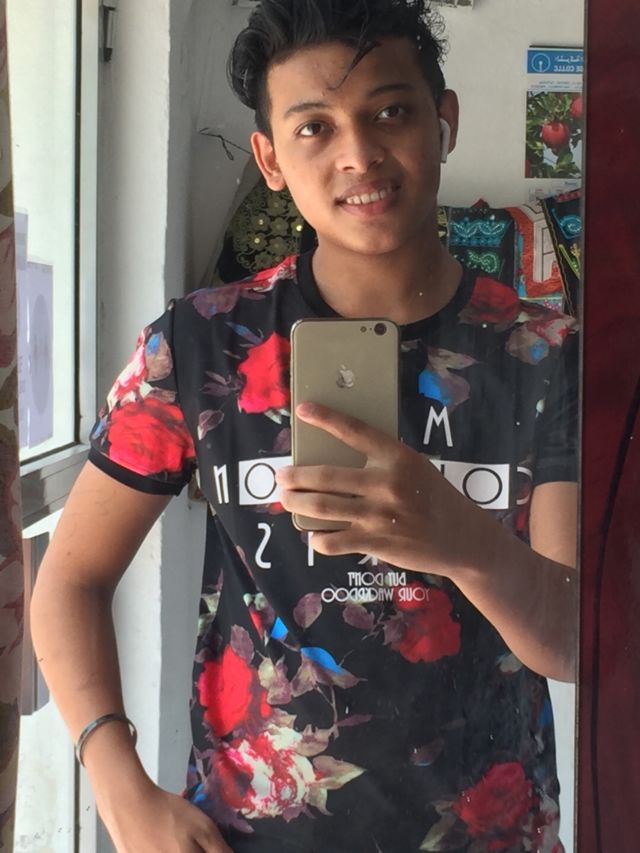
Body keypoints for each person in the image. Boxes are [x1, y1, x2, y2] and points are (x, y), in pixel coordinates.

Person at [31, 0, 579, 850]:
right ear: (271, 159)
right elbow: (69, 579)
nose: (359, 154)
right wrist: (119, 785)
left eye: (390, 112)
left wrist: (466, 541)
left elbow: (573, 641)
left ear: (444, 121)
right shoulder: (202, 344)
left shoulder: (546, 355)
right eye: (315, 127)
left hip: (490, 835)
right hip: (247, 833)